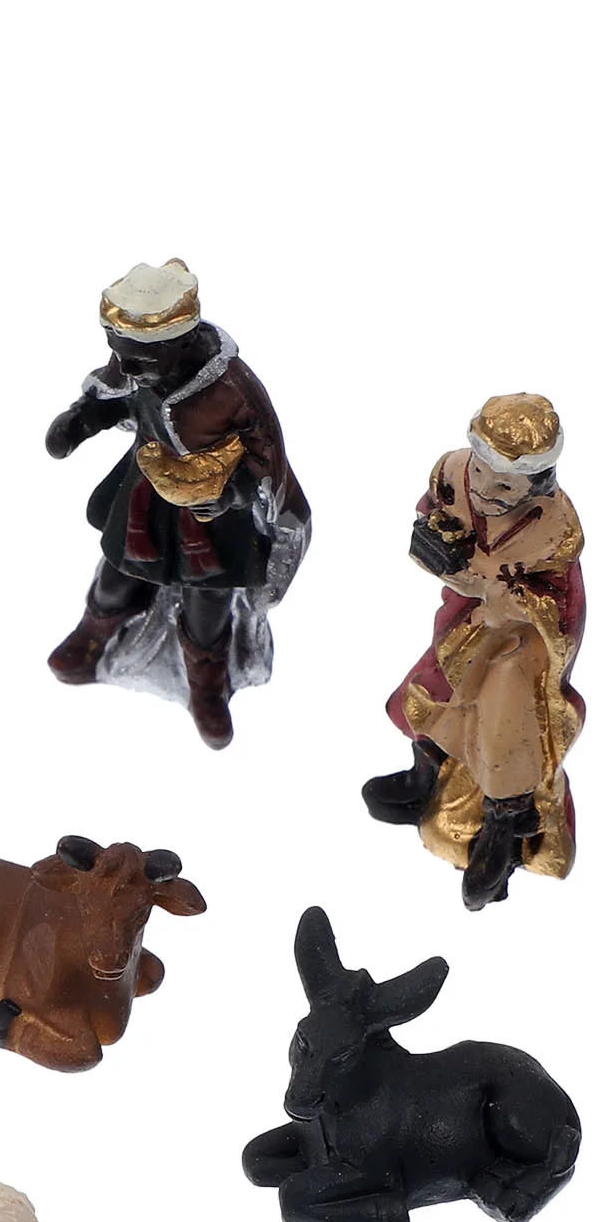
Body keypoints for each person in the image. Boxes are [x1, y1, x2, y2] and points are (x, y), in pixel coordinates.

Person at [44, 260, 310, 748]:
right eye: (119, 353)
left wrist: (231, 494)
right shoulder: (135, 361)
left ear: (182, 343)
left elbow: (266, 455)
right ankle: (94, 632)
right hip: (146, 491)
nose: (127, 368)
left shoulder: (232, 389)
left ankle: (206, 683)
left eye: (138, 359)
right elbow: (114, 394)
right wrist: (79, 422)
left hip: (216, 512)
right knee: (116, 576)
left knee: (206, 606)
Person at [364, 395, 584, 910]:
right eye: (483, 472)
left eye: (505, 485)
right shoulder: (453, 473)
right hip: (465, 617)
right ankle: (424, 776)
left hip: (522, 640)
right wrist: (439, 546)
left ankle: (504, 825)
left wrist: (504, 594)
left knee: (505, 723)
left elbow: (558, 602)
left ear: (535, 484)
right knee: (429, 689)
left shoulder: (554, 529)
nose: (485, 489)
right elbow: (432, 517)